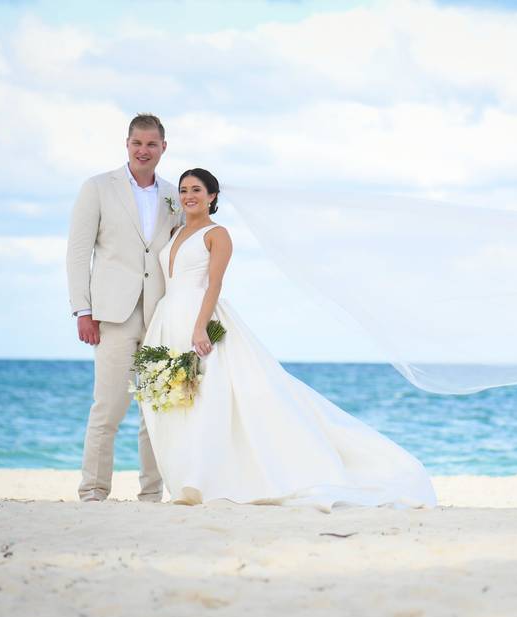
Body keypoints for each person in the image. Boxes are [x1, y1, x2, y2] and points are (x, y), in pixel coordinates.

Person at [139, 168, 437, 511]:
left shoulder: (217, 234)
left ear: (212, 196)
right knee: (178, 399)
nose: (189, 195)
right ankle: (186, 478)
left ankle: (212, 479)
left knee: (215, 396)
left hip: (199, 318)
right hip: (168, 318)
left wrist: (200, 327)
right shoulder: (175, 231)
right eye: (184, 189)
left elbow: (215, 285)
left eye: (196, 189)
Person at [66, 113, 183, 502]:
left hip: (159, 315)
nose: (144, 151)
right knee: (108, 409)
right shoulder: (98, 187)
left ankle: (152, 494)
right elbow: (78, 252)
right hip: (112, 315)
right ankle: (93, 492)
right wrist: (82, 310)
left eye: (152, 144)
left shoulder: (174, 194)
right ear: (127, 144)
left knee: (156, 411)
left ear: (163, 147)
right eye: (137, 143)